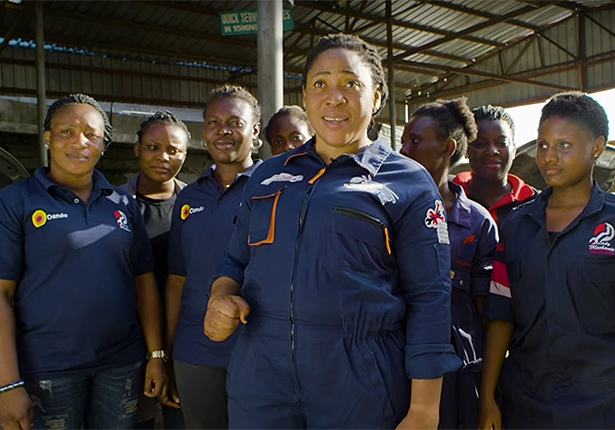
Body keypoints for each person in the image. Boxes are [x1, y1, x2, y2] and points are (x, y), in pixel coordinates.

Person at [203, 33, 461, 429]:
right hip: (261, 378)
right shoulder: (268, 176)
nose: (334, 96)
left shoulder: (408, 182)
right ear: (305, 96)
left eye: (350, 84)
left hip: (359, 382)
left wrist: (424, 408)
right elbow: (234, 261)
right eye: (320, 83)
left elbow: (430, 297)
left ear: (376, 97)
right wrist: (219, 300)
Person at [479, 91, 615, 429]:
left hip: (606, 410)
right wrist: (487, 400)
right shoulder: (516, 225)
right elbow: (501, 317)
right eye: (543, 145)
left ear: (597, 147)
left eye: (564, 146)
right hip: (525, 407)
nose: (549, 158)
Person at [0, 93, 168, 429]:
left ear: (103, 144)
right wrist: (9, 385)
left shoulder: (122, 201)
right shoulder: (13, 202)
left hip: (121, 366)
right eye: (66, 132)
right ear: (47, 138)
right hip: (47, 371)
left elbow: (143, 281)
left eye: (91, 134)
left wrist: (155, 355)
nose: (79, 142)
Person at [161, 84, 263, 429]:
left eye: (234, 122)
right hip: (195, 351)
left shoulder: (275, 189)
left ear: (255, 131)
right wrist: (170, 354)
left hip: (260, 347)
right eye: (213, 123)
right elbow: (177, 280)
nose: (223, 132)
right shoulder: (188, 199)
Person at [400, 97, 498, 429]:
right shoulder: (387, 210)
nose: (403, 150)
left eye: (415, 141)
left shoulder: (477, 222)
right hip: (398, 366)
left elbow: (488, 311)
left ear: (448, 147)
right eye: (403, 140)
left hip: (458, 374)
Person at [119, 111, 189, 430]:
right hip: (128, 343)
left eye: (174, 150)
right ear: (137, 149)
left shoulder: (196, 204)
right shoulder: (113, 204)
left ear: (185, 155)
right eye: (153, 147)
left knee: (181, 417)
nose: (163, 156)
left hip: (184, 338)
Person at [452, 105, 536, 224]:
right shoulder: (449, 199)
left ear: (514, 151)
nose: (492, 151)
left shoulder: (536, 204)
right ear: (466, 150)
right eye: (480, 144)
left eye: (502, 143)